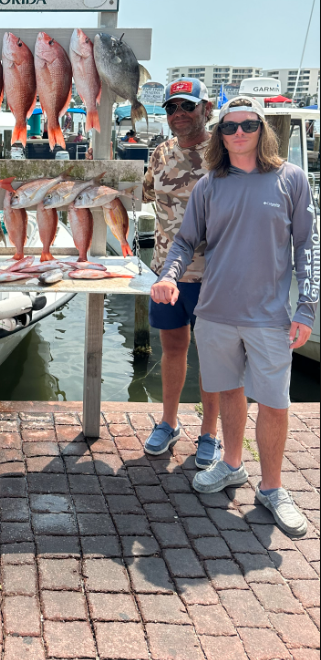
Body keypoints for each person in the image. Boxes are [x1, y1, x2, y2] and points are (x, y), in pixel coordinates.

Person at [151, 96, 319, 537]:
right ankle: (231, 464)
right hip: (215, 311)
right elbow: (186, 242)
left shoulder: (291, 179)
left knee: (275, 402)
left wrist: (307, 307)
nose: (239, 133)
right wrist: (169, 274)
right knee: (228, 391)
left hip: (269, 316)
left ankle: (273, 487)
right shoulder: (210, 184)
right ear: (220, 135)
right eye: (230, 127)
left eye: (248, 125)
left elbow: (308, 247)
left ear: (263, 131)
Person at [142, 78, 221, 468]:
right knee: (172, 350)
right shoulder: (160, 153)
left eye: (187, 106)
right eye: (172, 107)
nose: (178, 114)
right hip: (167, 276)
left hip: (215, 275)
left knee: (213, 356)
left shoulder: (224, 153)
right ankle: (168, 422)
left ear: (205, 107)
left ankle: (210, 433)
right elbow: (144, 193)